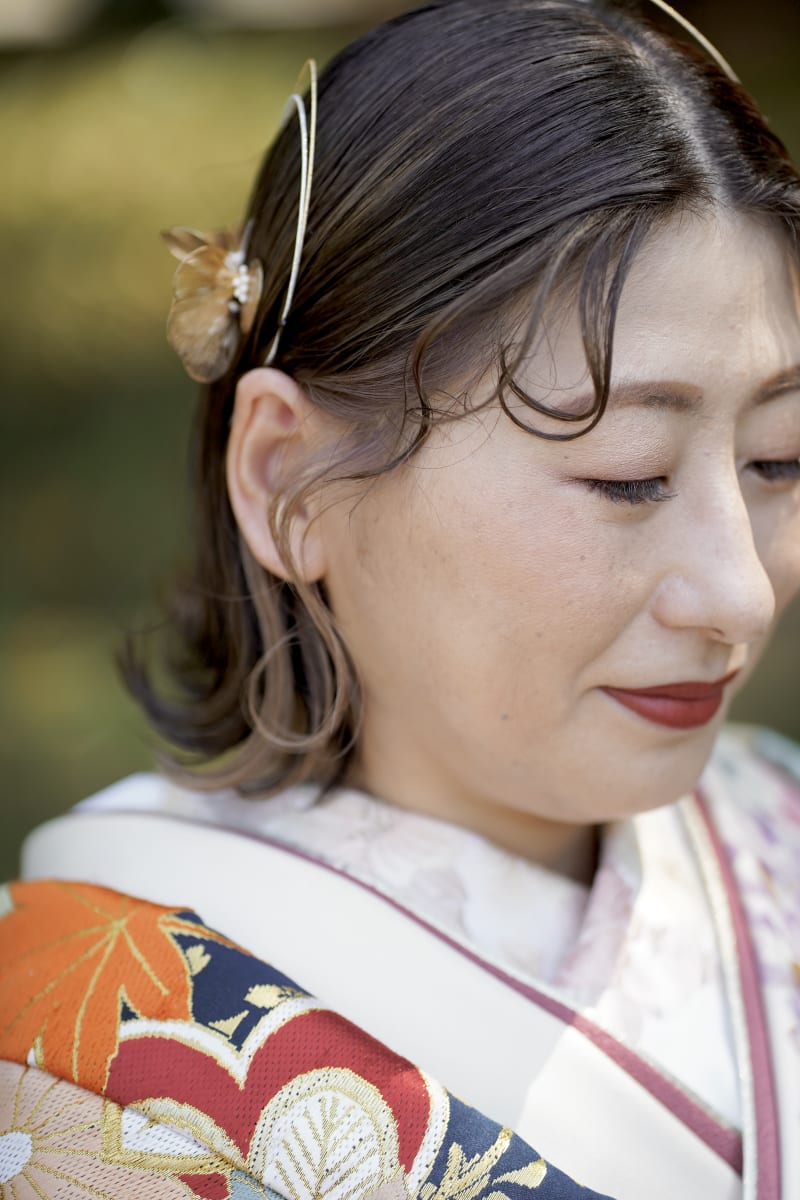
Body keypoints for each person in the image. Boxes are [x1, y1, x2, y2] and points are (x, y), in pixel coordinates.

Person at [2, 1, 799, 1197]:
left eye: (777, 458)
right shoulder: (79, 1060)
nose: (738, 595)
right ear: (290, 477)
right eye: (625, 476)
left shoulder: (773, 817)